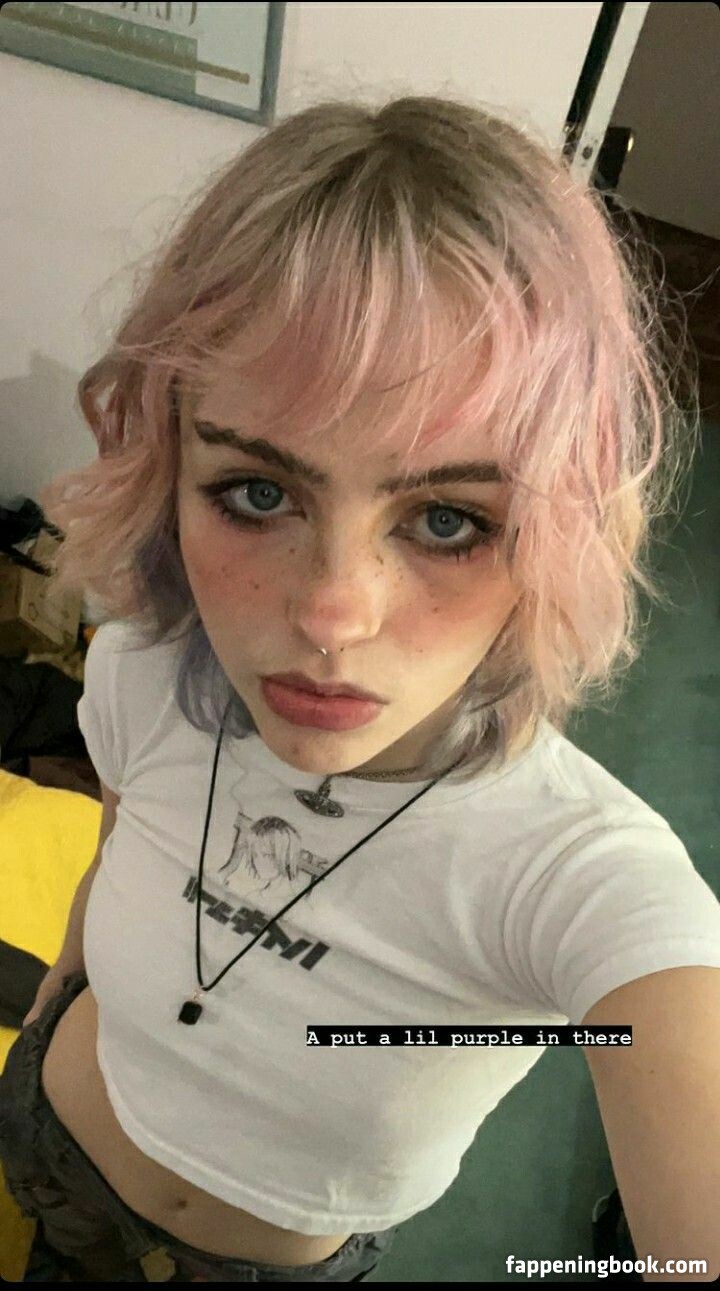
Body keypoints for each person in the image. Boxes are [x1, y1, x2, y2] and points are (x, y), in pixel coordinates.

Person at [2, 93, 719, 1284]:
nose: (334, 616)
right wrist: (60, 993)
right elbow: (119, 848)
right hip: (50, 1134)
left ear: (561, 528)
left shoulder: (583, 880)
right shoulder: (142, 670)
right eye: (258, 493)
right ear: (171, 475)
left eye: (447, 519)